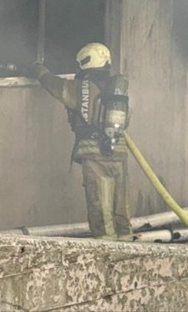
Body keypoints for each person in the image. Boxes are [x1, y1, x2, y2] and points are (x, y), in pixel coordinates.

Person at [30, 42, 133, 240]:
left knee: (100, 204)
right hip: (119, 151)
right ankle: (128, 245)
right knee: (121, 203)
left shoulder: (81, 87)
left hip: (94, 151)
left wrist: (37, 69)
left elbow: (54, 85)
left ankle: (106, 248)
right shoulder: (117, 88)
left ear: (85, 63)